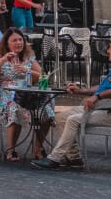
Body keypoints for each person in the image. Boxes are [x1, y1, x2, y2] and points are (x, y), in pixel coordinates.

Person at [32, 39, 111, 170]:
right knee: (60, 117)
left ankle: (54, 159)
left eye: (110, 48)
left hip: (107, 111)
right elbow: (102, 87)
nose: (107, 51)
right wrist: (80, 91)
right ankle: (74, 157)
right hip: (100, 106)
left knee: (73, 120)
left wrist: (97, 96)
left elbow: (102, 92)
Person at [0, 27, 52, 161]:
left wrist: (28, 71)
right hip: (5, 95)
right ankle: (11, 150)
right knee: (13, 108)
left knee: (47, 111)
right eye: (14, 40)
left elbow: (44, 77)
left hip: (26, 95)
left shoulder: (28, 58)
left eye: (21, 39)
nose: (19, 42)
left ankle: (38, 148)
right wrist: (3, 59)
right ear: (6, 43)